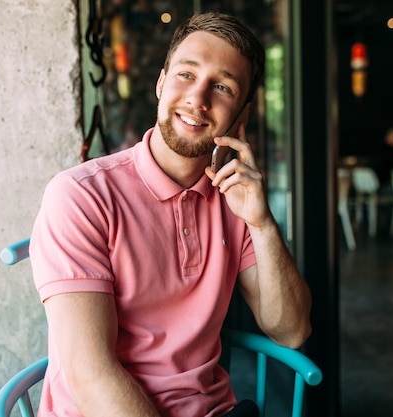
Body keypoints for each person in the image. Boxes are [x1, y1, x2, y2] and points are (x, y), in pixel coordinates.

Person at [29, 12, 312, 417]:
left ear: (242, 114)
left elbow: (291, 331)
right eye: (185, 74)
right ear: (161, 83)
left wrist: (261, 224)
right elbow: (91, 376)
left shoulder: (235, 199)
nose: (198, 98)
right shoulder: (81, 196)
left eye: (222, 86)